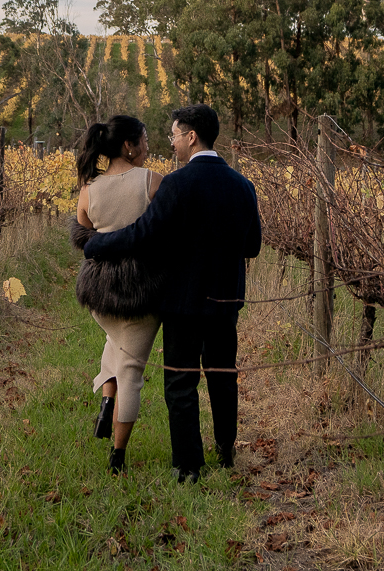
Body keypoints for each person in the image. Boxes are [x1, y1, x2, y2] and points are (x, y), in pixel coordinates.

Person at [75, 104, 260, 482]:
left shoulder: (175, 184)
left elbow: (143, 233)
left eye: (174, 135)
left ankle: (188, 466)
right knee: (223, 376)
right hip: (225, 299)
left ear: (191, 136)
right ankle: (225, 451)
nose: (171, 143)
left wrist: (96, 245)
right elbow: (253, 246)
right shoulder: (243, 186)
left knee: (180, 383)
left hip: (182, 300)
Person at [72, 115, 163, 474]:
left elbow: (84, 236)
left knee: (116, 341)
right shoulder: (152, 182)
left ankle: (106, 407)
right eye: (144, 139)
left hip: (101, 294)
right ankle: (118, 457)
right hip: (142, 292)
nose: (148, 146)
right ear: (129, 145)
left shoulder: (89, 189)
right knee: (131, 371)